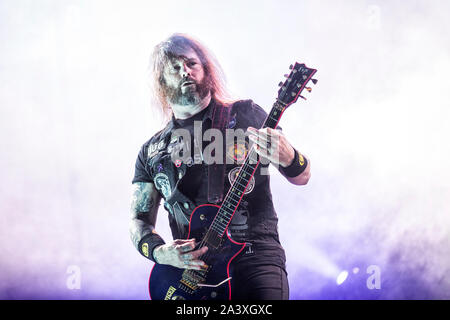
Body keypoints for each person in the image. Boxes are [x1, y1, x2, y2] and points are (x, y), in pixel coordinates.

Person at [129, 33, 311, 300]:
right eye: (175, 68)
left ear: (206, 69)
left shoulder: (245, 114)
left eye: (192, 64)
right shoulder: (152, 151)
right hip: (191, 273)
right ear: (162, 81)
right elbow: (138, 220)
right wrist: (159, 252)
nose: (185, 72)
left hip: (254, 257)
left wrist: (290, 156)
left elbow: (302, 176)